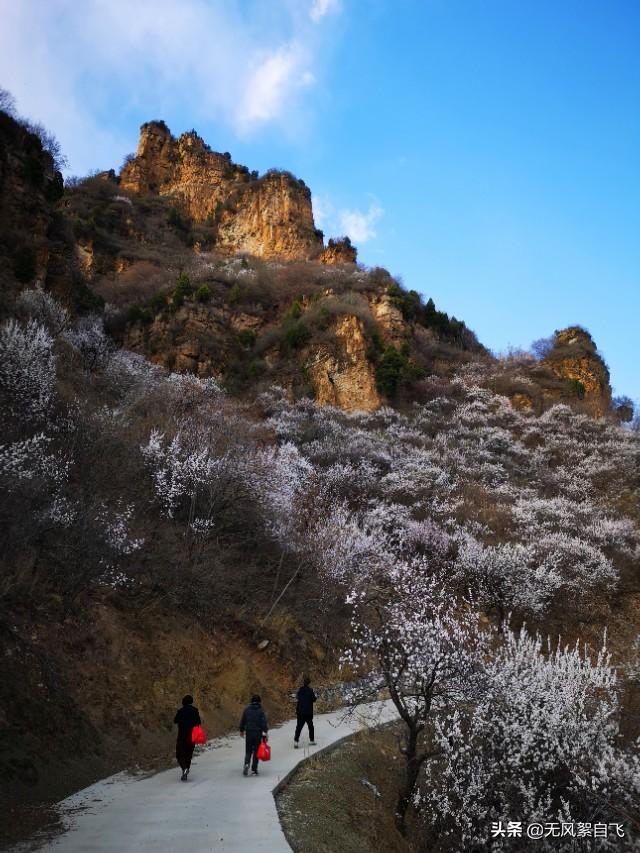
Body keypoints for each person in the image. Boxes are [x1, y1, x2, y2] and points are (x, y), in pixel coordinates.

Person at [173, 694, 201, 781]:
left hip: (182, 736)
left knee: (180, 754)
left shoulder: (180, 711)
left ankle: (184, 768)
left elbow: (175, 720)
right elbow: (198, 722)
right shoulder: (195, 710)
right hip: (192, 736)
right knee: (189, 754)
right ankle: (186, 769)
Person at [239, 693, 268, 776]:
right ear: (259, 702)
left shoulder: (247, 710)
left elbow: (243, 721)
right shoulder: (261, 711)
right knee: (256, 752)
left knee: (248, 751)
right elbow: (263, 723)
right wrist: (265, 733)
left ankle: (246, 764)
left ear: (251, 701)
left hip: (249, 732)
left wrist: (241, 730)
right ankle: (254, 769)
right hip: (257, 733)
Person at [294, 676, 317, 748]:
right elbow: (314, 699)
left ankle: (296, 742)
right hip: (308, 712)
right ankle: (312, 741)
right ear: (309, 683)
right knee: (310, 726)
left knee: (299, 727)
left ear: (303, 683)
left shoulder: (300, 690)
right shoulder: (310, 690)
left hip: (300, 712)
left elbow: (297, 697)